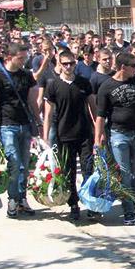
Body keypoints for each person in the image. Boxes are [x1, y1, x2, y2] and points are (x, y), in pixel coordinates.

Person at [95, 52, 135, 225]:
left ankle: (133, 198)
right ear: (123, 67)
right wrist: (97, 138)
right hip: (118, 134)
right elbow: (100, 116)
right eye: (133, 66)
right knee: (124, 173)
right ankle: (128, 209)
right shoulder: (106, 86)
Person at [0, 43, 39, 218]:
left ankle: (22, 199)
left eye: (25, 58)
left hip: (25, 124)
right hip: (7, 125)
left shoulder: (26, 75)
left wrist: (38, 121)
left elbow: (32, 101)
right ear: (9, 57)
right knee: (14, 162)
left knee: (24, 165)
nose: (24, 61)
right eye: (20, 58)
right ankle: (13, 199)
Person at [43, 50, 96, 221]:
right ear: (59, 64)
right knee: (69, 172)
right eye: (65, 63)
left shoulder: (84, 83)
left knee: (88, 170)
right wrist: (46, 137)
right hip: (64, 135)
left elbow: (93, 108)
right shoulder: (53, 85)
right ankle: (73, 204)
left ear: (75, 63)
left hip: (85, 134)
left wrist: (98, 131)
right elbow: (48, 114)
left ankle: (90, 203)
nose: (68, 66)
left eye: (71, 63)